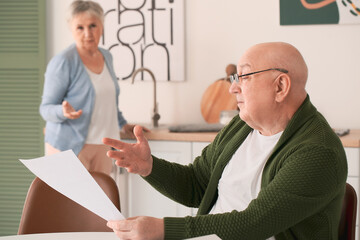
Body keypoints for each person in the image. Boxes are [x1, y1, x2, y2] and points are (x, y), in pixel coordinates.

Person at [103, 42, 348, 239]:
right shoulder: (240, 126)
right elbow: (197, 186)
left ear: (280, 86)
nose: (233, 88)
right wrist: (150, 167)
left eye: (244, 77)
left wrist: (164, 230)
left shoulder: (318, 151)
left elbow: (255, 224)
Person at [40, 0, 148, 175]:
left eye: (92, 26)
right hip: (71, 147)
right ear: (71, 29)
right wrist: (63, 111)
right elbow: (45, 109)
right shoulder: (63, 62)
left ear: (101, 26)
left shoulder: (107, 56)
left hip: (103, 146)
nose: (87, 33)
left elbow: (108, 101)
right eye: (80, 28)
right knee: (71, 202)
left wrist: (123, 124)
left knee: (102, 200)